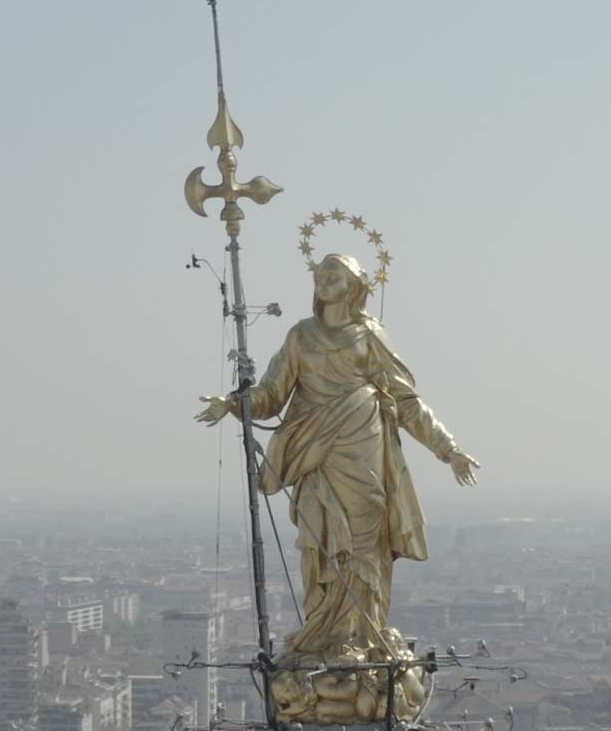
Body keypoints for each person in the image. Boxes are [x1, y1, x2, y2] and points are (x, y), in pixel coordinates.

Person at [196, 253, 479, 657]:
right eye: (320, 275)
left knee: (366, 543)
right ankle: (324, 631)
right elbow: (272, 394)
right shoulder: (300, 337)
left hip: (364, 453)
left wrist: (449, 450)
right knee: (318, 539)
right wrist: (232, 402)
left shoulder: (370, 335)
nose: (324, 282)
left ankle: (364, 633)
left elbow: (407, 403)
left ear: (354, 285)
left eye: (334, 276)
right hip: (314, 455)